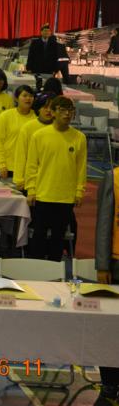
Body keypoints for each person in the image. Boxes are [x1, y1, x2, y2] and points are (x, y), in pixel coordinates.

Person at [25, 96, 86, 261]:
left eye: (70, 111)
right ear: (52, 112)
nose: (67, 114)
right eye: (62, 110)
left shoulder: (79, 137)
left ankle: (54, 270)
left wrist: (79, 191)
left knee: (58, 238)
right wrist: (31, 190)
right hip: (43, 195)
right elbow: (32, 166)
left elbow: (81, 168)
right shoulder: (39, 136)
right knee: (39, 235)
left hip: (66, 197)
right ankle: (35, 268)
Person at [94, 166, 119, 406]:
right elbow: (104, 223)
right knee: (111, 329)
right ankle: (109, 385)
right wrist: (103, 265)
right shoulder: (114, 178)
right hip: (116, 264)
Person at [0, 85, 36, 180]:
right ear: (16, 98)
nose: (28, 98)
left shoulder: (36, 118)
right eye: (25, 95)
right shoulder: (5, 116)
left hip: (28, 169)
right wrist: (1, 164)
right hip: (7, 168)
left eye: (31, 96)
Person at [26, 24, 59, 89]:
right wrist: (28, 68)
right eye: (45, 31)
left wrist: (55, 70)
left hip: (49, 69)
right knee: (36, 86)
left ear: (50, 33)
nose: (47, 32)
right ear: (41, 32)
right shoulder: (35, 42)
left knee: (48, 86)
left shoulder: (54, 43)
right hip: (36, 68)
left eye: (48, 31)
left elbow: (56, 57)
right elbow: (30, 55)